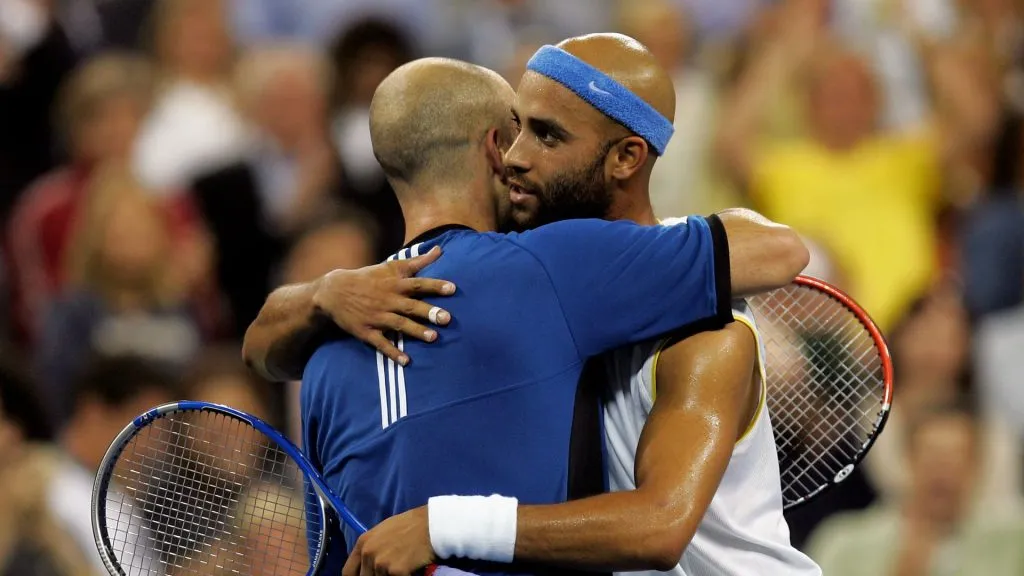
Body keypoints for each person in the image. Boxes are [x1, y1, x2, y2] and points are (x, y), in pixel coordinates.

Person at [244, 48, 808, 576]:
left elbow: (659, 526)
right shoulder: (546, 277)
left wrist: (442, 526)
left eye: (544, 135)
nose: (516, 159)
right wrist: (324, 291)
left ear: (627, 158)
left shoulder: (687, 322)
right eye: (516, 132)